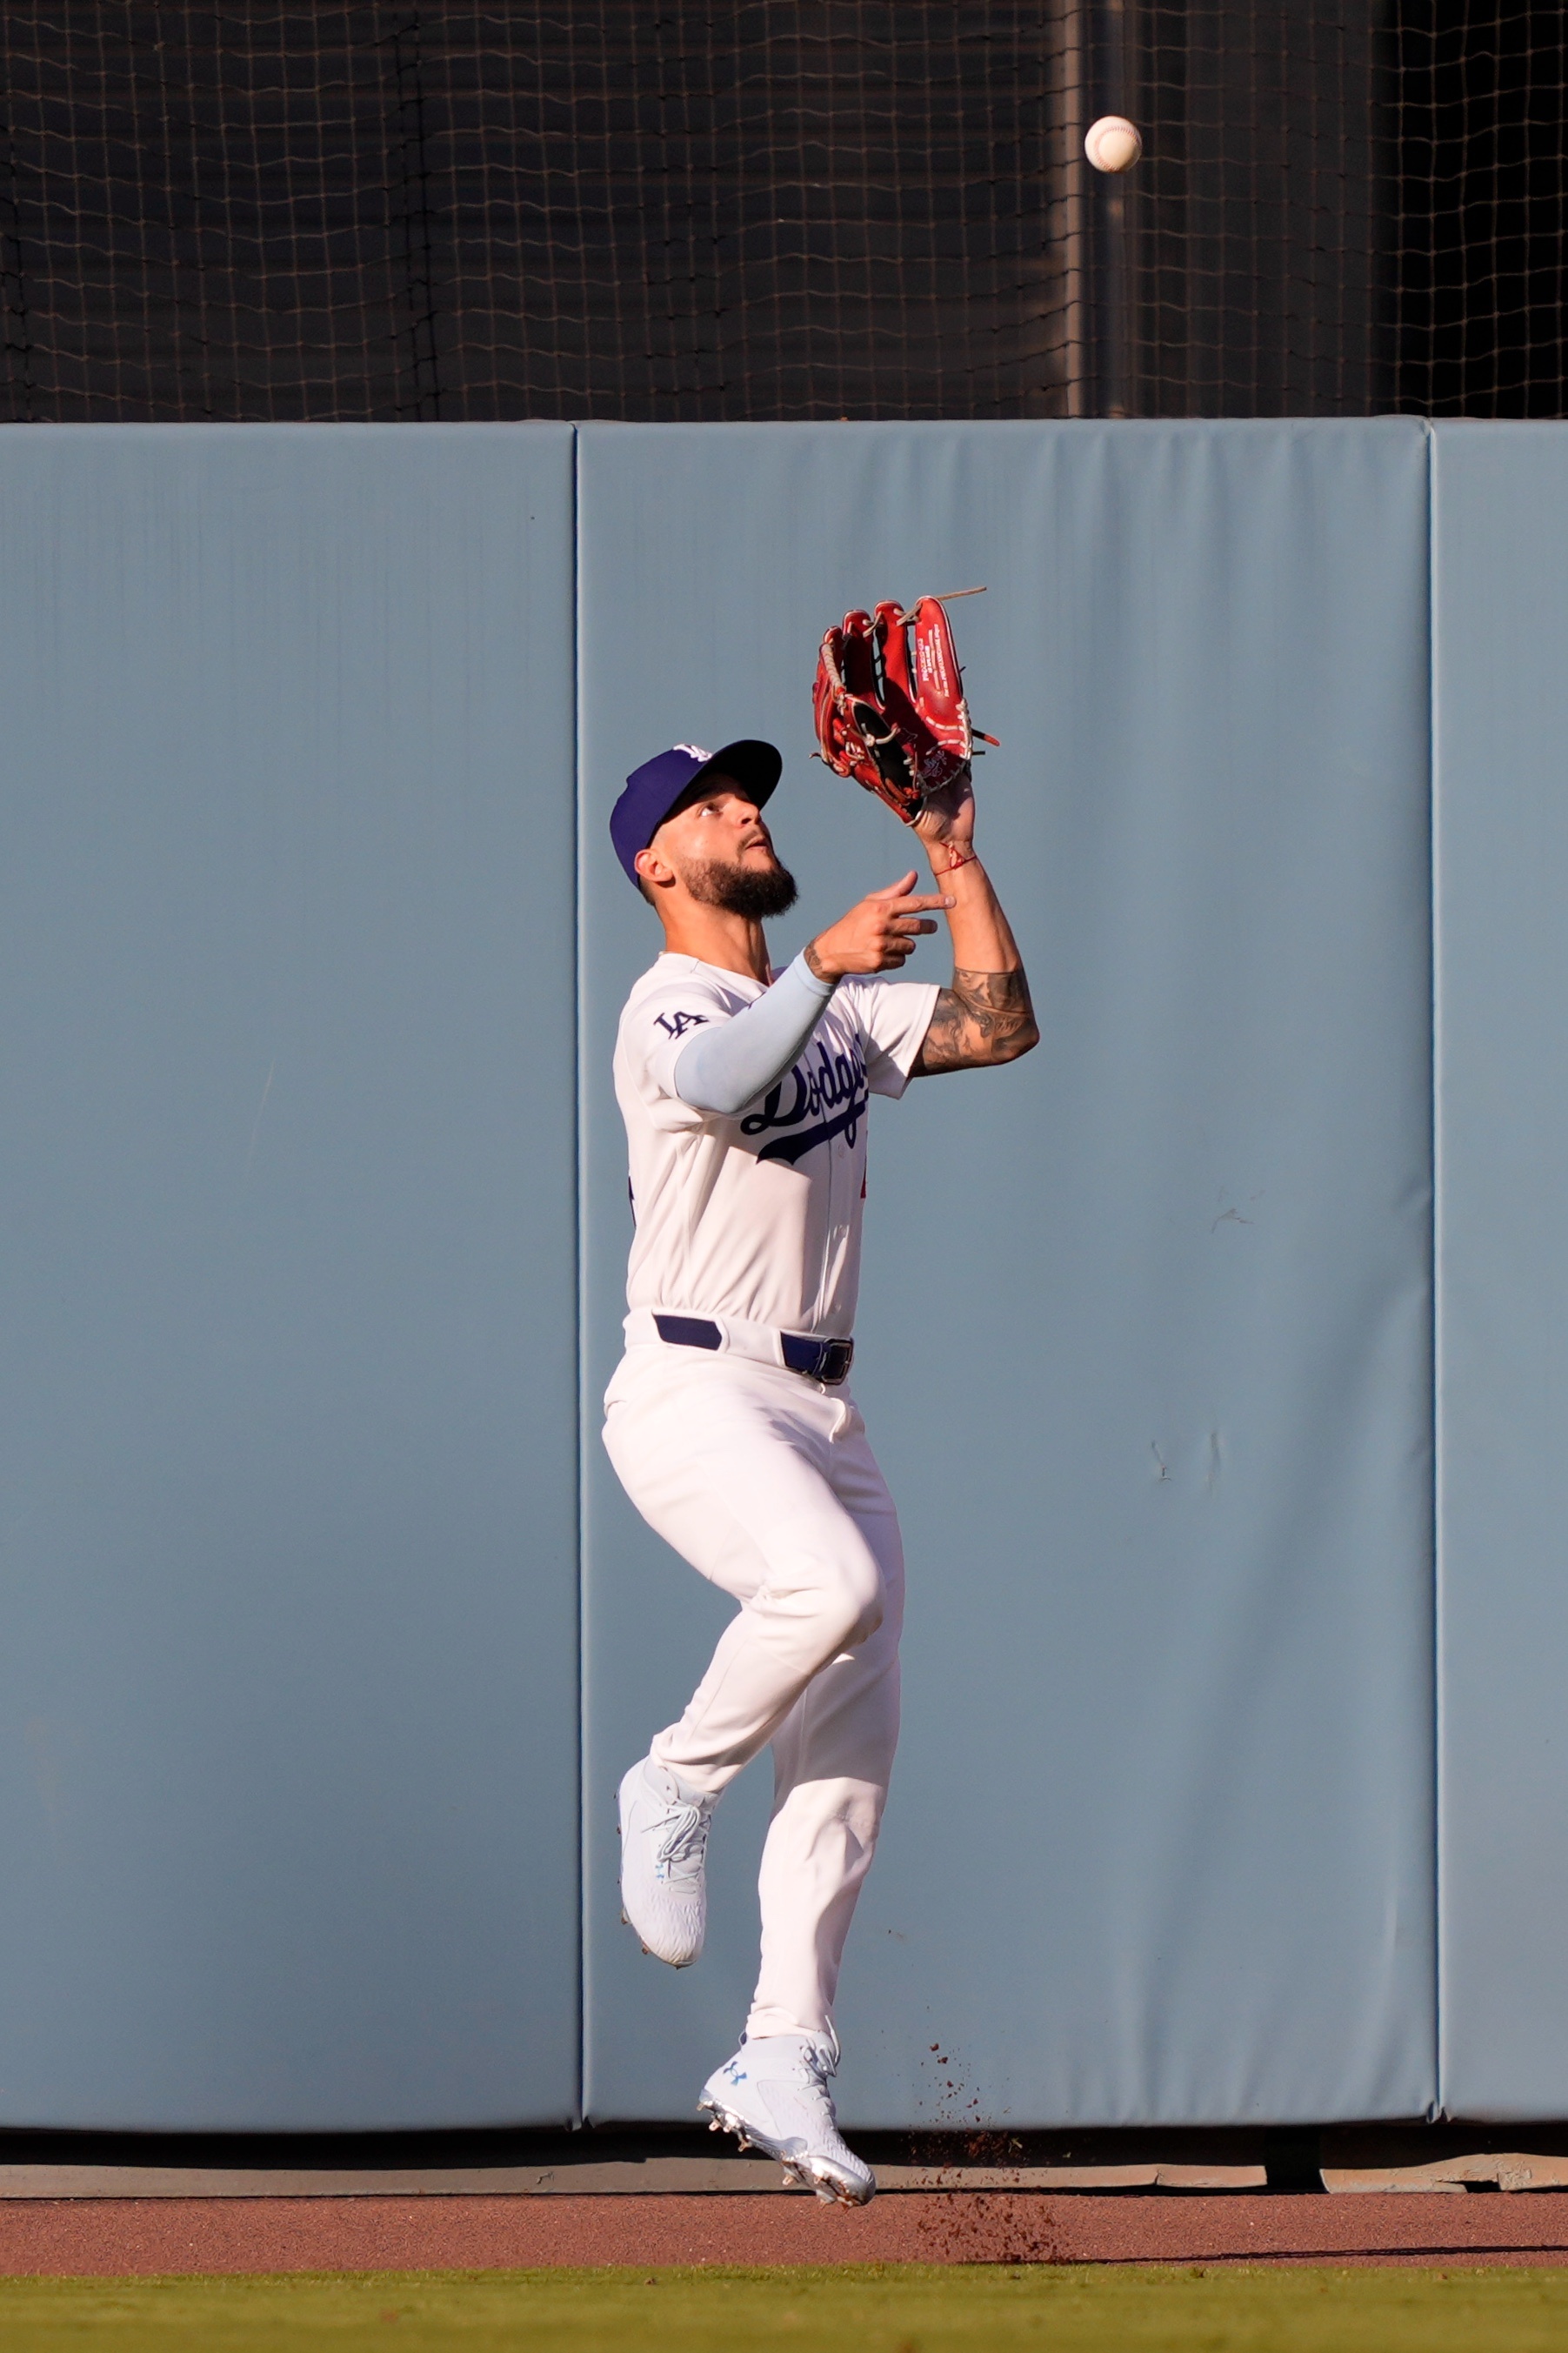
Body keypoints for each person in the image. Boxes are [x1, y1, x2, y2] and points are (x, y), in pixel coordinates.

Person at [604, 735, 1038, 2204]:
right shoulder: (671, 998)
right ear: (660, 862)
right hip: (692, 1382)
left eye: (749, 794)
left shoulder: (832, 1009)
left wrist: (953, 850)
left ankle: (783, 2046)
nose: (746, 809)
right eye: (710, 805)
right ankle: (673, 1777)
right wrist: (827, 968)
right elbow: (725, 1075)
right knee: (827, 1583)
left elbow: (999, 1022)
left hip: (824, 1412)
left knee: (854, 1746)